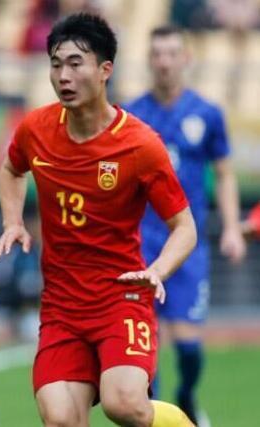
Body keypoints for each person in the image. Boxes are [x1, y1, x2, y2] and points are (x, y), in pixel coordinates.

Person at [0, 13, 197, 427]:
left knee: (125, 405)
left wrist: (157, 270)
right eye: (55, 64)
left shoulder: (140, 145)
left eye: (75, 64)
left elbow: (185, 227)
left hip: (121, 299)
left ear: (105, 70)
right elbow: (12, 169)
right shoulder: (35, 129)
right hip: (61, 308)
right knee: (61, 419)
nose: (63, 76)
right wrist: (13, 221)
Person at [125, 25, 246, 426]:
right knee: (146, 344)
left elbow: (224, 174)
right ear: (149, 60)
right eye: (157, 54)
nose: (164, 62)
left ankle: (186, 395)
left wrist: (231, 227)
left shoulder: (207, 114)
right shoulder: (132, 114)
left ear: (186, 59)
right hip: (141, 244)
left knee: (189, 346)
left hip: (187, 244)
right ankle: (155, 415)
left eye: (172, 53)